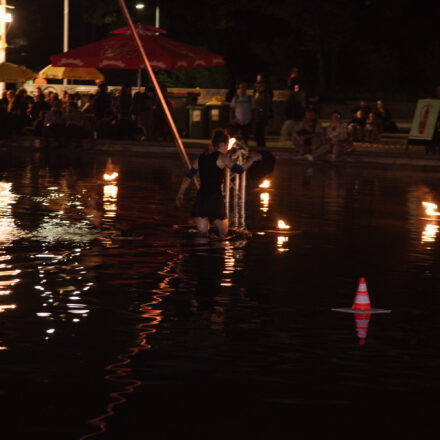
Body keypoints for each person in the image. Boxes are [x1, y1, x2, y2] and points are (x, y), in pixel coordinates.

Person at [176, 129, 262, 239]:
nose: (227, 148)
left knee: (202, 237)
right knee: (223, 236)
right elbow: (239, 170)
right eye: (227, 145)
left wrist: (180, 194)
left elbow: (187, 178)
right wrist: (252, 159)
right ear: (222, 144)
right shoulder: (222, 157)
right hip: (215, 199)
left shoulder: (200, 158)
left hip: (201, 200)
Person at [229, 81, 255, 146]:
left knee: (245, 138)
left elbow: (253, 110)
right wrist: (231, 119)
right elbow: (232, 109)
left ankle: (245, 150)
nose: (243, 89)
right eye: (242, 87)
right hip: (237, 121)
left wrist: (253, 120)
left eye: (244, 88)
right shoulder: (236, 98)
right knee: (230, 135)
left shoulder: (250, 98)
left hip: (247, 121)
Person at [253, 79, 273, 147]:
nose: (257, 88)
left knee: (260, 134)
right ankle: (260, 148)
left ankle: (262, 148)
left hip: (261, 118)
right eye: (257, 87)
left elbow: (264, 107)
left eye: (259, 87)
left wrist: (261, 117)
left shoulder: (265, 95)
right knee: (258, 135)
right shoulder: (257, 94)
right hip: (258, 117)